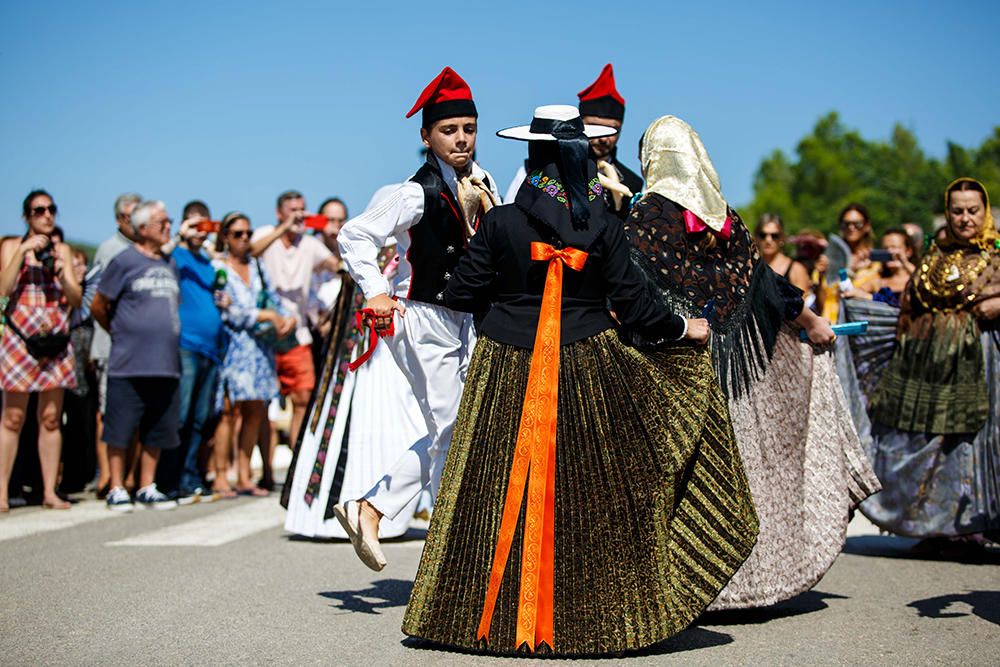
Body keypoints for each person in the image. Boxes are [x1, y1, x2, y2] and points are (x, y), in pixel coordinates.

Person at [401, 105, 757, 656]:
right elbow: (638, 309)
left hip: (505, 367)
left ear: (531, 156)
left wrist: (507, 301)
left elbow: (460, 295)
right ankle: (591, 622)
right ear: (581, 157)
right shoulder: (605, 225)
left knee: (495, 492)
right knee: (593, 496)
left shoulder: (499, 223)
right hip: (591, 362)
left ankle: (477, 622)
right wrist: (686, 327)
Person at [625, 116, 879, 610]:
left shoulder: (642, 220)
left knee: (686, 477)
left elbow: (630, 295)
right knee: (744, 469)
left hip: (676, 370)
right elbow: (767, 287)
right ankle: (747, 583)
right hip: (737, 380)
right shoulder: (728, 220)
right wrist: (809, 323)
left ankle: (689, 589)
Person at [333, 66, 499, 570]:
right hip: (423, 315)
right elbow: (354, 236)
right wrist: (378, 292)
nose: (462, 138)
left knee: (456, 424)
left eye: (469, 128)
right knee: (450, 426)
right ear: (426, 135)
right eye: (450, 130)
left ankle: (371, 507)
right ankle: (454, 548)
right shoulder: (411, 192)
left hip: (467, 319)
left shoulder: (483, 182)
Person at [862, 178, 1000, 553]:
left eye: (973, 210)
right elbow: (911, 300)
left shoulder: (997, 251)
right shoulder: (937, 253)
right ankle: (938, 527)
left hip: (978, 363)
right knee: (930, 442)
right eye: (957, 210)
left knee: (968, 442)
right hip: (926, 364)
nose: (965, 218)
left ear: (984, 211)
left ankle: (977, 524)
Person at [283, 189, 427, 539]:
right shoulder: (360, 262)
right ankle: (349, 509)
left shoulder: (395, 255)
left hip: (388, 358)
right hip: (355, 363)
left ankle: (392, 510)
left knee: (406, 422)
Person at [90, 200, 181, 511]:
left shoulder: (169, 263)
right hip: (128, 362)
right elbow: (99, 305)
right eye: (162, 222)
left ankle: (146, 485)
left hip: (166, 363)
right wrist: (120, 331)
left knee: (157, 426)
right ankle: (116, 485)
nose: (168, 226)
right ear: (143, 229)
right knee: (120, 426)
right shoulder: (124, 261)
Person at [0, 190, 82, 511]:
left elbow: (76, 300)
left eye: (51, 209)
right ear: (26, 217)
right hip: (20, 340)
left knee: (50, 418)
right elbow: (3, 290)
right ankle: (2, 492)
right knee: (13, 417)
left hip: (56, 340)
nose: (47, 215)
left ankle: (50, 491)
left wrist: (61, 272)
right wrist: (23, 251)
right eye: (38, 210)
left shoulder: (62, 249)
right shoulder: (10, 246)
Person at [250, 191, 340, 460]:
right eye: (293, 210)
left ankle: (297, 459)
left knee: (302, 398)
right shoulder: (267, 233)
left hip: (297, 334)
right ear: (280, 213)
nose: (299, 215)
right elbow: (253, 252)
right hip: (264, 335)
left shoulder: (310, 246)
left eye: (302, 209)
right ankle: (265, 470)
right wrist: (283, 230)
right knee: (261, 405)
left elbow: (335, 265)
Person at [212, 212, 295, 498]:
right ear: (225, 237)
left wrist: (287, 319)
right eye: (237, 234)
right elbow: (227, 311)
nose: (244, 238)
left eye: (248, 233)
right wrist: (266, 315)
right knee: (229, 412)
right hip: (233, 347)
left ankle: (246, 475)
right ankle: (222, 474)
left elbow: (272, 298)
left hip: (260, 348)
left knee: (255, 411)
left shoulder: (257, 266)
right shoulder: (218, 268)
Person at [154, 200, 228, 503]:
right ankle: (167, 480)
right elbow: (155, 260)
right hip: (186, 344)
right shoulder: (176, 256)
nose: (200, 232)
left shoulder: (207, 261)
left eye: (205, 225)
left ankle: (190, 478)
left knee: (200, 418)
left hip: (211, 348)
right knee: (180, 416)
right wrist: (180, 236)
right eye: (195, 225)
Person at [502, 64, 642, 222]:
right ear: (581, 125)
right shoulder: (533, 170)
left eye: (612, 129)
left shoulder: (632, 182)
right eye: (597, 127)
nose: (604, 138)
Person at [89, 192, 142, 497]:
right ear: (120, 219)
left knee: (133, 412)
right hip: (111, 342)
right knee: (108, 411)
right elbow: (98, 302)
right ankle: (107, 476)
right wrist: (116, 331)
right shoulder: (109, 250)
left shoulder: (146, 251)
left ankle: (130, 477)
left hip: (136, 348)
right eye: (130, 217)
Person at [841, 227, 918, 307]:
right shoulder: (877, 281)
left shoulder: (915, 277)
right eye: (885, 248)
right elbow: (849, 293)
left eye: (894, 247)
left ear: (908, 251)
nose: (889, 252)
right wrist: (853, 269)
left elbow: (925, 281)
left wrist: (905, 263)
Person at [754, 213, 812, 295]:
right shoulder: (751, 268)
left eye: (774, 236)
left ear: (782, 238)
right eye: (763, 235)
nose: (768, 240)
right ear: (757, 237)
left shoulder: (796, 270)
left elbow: (802, 305)